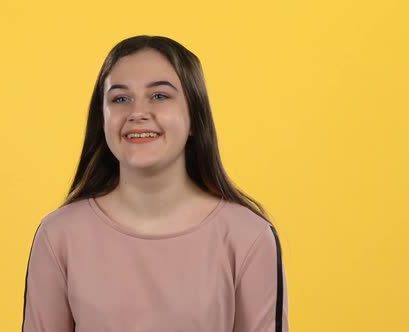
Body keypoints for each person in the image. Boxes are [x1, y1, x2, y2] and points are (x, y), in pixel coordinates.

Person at [22, 35, 289, 332]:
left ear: (194, 117)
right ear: (103, 119)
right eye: (120, 99)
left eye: (160, 96)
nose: (137, 113)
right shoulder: (58, 236)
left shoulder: (248, 238)